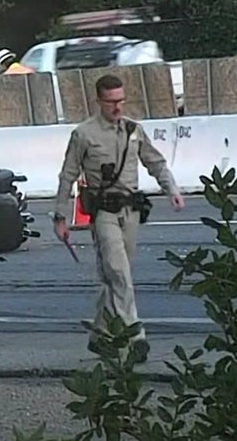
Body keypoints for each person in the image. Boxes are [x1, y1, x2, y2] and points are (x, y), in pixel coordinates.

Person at [51, 74, 185, 362]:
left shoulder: (133, 130)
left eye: (121, 100)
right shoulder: (84, 134)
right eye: (111, 101)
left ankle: (100, 336)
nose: (117, 107)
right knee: (120, 275)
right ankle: (135, 337)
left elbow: (155, 161)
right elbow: (68, 175)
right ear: (99, 101)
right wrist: (60, 216)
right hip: (103, 214)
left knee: (113, 278)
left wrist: (171, 189)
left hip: (131, 211)